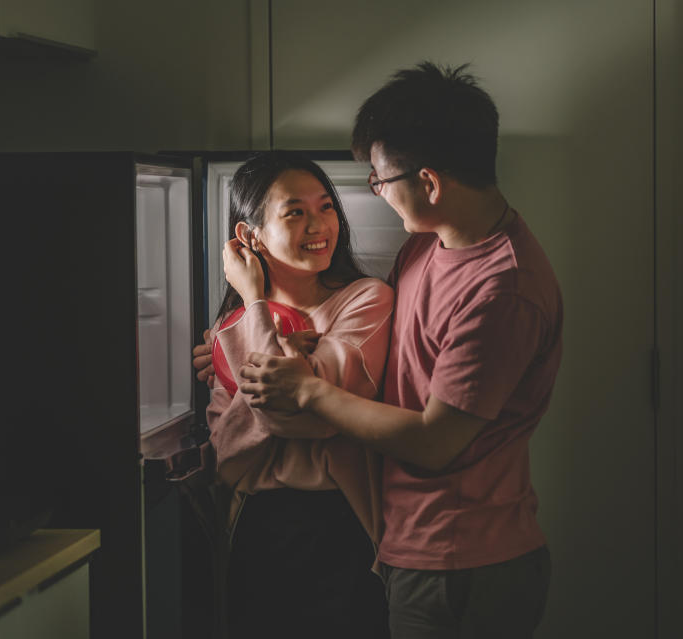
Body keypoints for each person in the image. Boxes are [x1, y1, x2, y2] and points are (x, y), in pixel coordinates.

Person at [196, 62, 563, 638]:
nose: (375, 194)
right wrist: (245, 343)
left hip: (464, 556)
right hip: (408, 540)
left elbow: (435, 441)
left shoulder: (503, 289)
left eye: (379, 181)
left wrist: (307, 386)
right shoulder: (424, 249)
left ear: (430, 182)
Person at [197, 151, 393, 638]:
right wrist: (281, 347)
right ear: (250, 236)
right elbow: (226, 449)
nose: (319, 224)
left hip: (339, 522)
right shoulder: (229, 329)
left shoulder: (366, 299)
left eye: (325, 206)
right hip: (257, 526)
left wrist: (256, 308)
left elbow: (300, 418)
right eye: (295, 212)